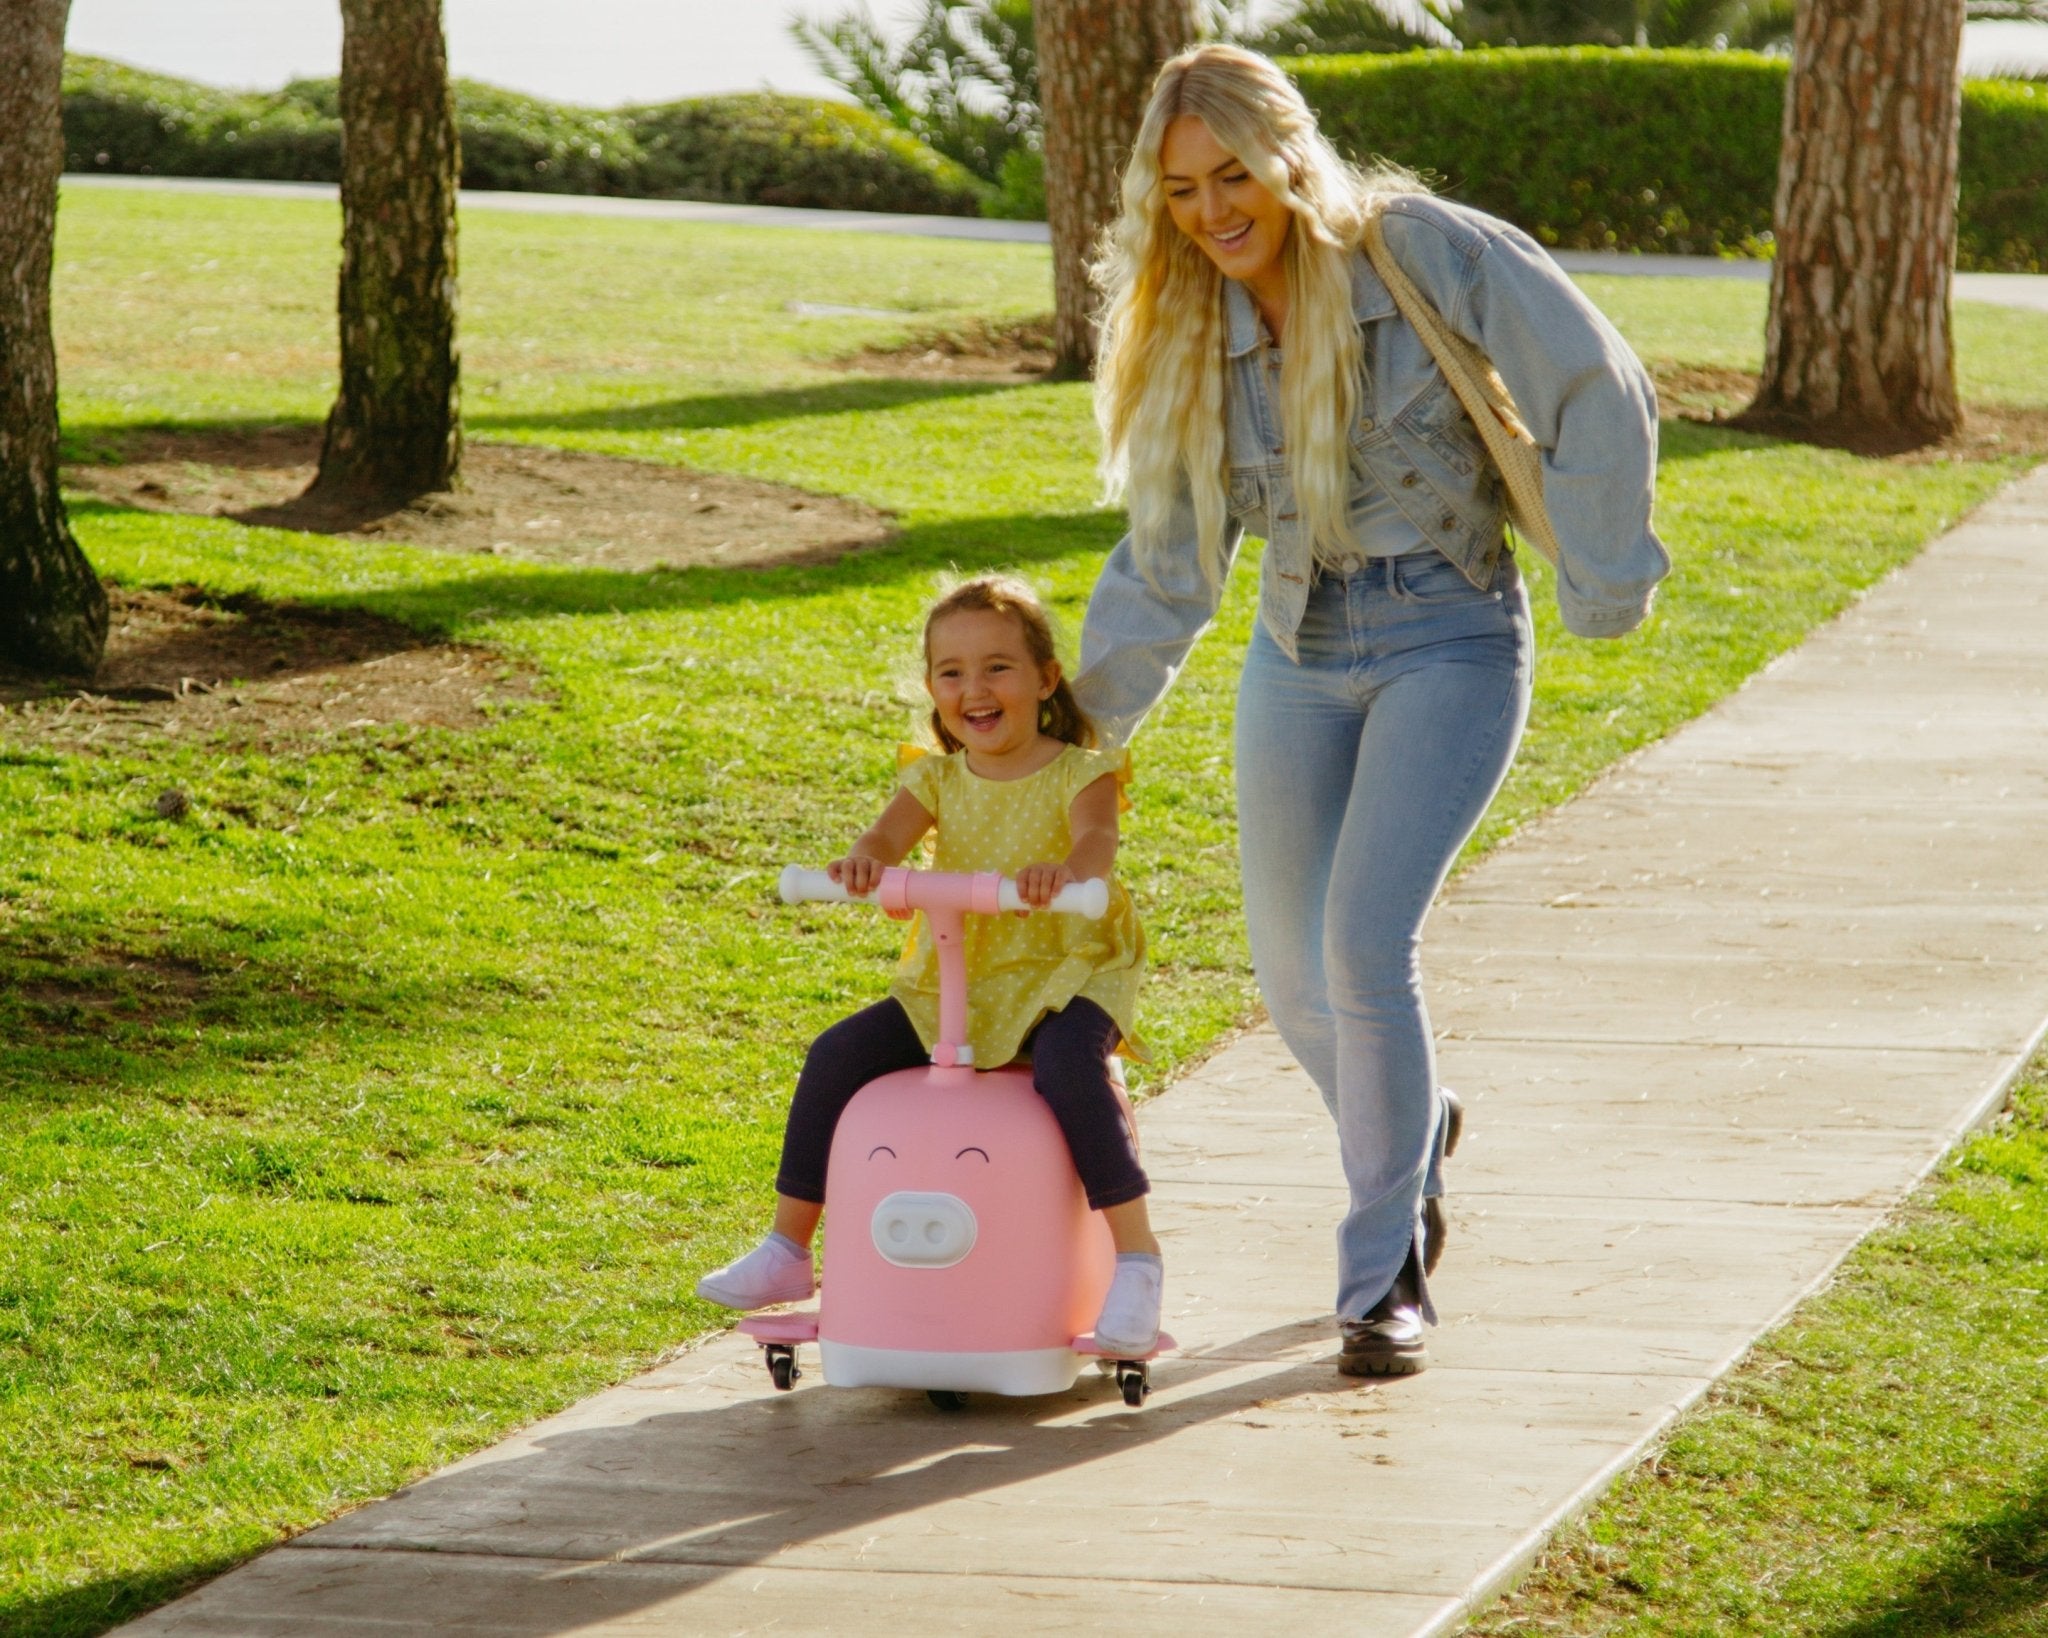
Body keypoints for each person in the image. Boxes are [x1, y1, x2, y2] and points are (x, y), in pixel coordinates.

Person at [1071, 45, 1670, 1376]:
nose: (1213, 209)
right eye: (1181, 189)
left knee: (1362, 943)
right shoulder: (1194, 328)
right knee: (1290, 979)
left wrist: (1609, 578)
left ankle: (1382, 1276)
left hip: (1449, 636)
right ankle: (1417, 1122)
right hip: (1299, 648)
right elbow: (1169, 559)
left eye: (1234, 173)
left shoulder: (1414, 248)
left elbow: (1593, 378)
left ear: (1290, 155)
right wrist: (1068, 737)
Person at [697, 574, 1164, 1355]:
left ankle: (1138, 1260)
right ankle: (786, 1246)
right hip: (963, 974)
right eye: (951, 673)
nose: (973, 689)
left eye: (997, 668)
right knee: (837, 1052)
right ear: (932, 689)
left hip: (1068, 969)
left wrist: (1067, 876)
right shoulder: (936, 777)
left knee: (1068, 1069)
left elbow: (1096, 845)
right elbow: (886, 840)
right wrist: (863, 864)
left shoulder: (1083, 772)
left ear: (1046, 679)